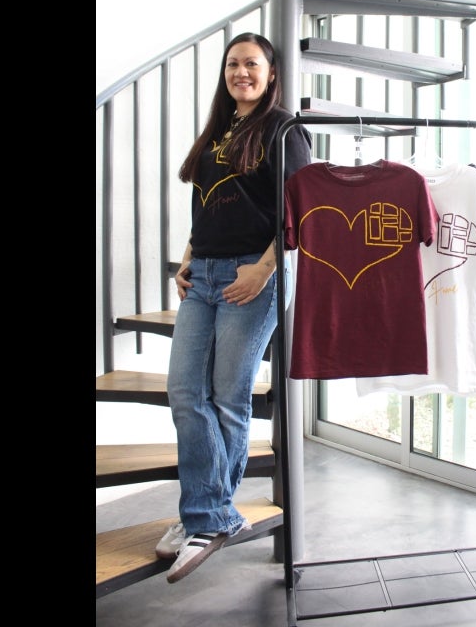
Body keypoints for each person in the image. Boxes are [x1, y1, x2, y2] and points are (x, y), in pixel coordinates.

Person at [155, 32, 313, 584]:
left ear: (272, 74)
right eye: (232, 64)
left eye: (251, 64)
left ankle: (205, 516)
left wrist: (263, 270)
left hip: (255, 271)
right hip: (205, 273)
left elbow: (300, 210)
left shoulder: (284, 129)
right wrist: (186, 257)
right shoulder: (221, 131)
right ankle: (211, 513)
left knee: (227, 397)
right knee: (184, 392)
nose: (240, 72)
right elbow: (207, 206)